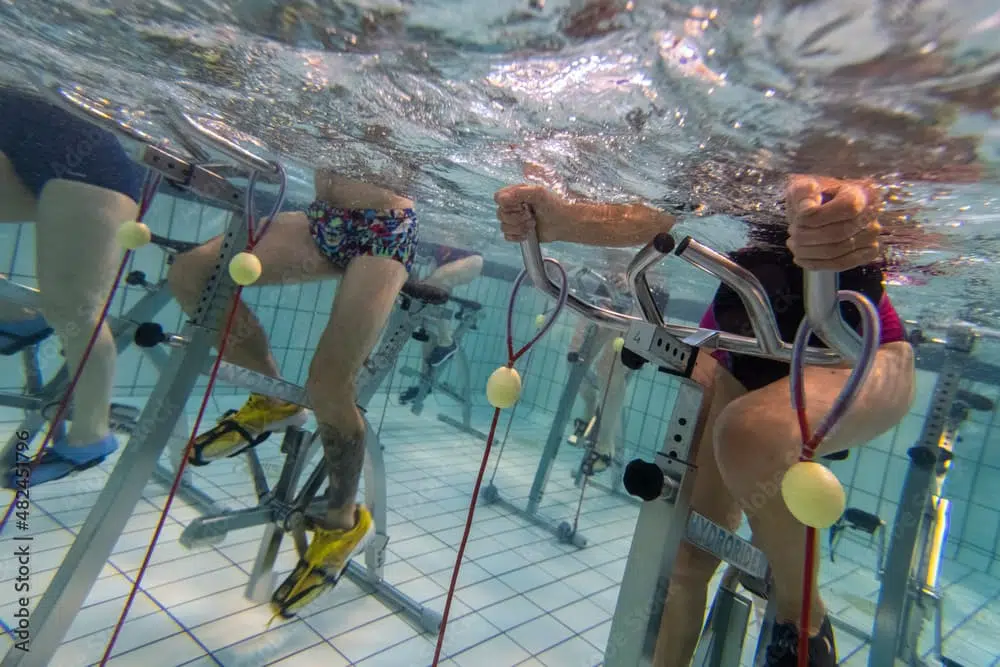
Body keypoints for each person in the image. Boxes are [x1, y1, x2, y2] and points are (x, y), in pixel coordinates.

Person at [494, 174, 915, 667]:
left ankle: (802, 621)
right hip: (740, 349)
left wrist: (861, 209)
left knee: (751, 434)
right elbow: (649, 216)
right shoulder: (736, 155)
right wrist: (556, 217)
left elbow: (894, 209)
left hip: (860, 353)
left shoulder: (866, 152)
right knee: (686, 562)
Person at [167, 169, 418, 618]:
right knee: (191, 273)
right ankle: (275, 401)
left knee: (328, 385)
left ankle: (341, 521)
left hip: (383, 231)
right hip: (323, 221)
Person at [1, 86, 145, 488]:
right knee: (67, 308)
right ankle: (21, 317)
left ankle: (92, 435)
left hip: (90, 172)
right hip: (29, 158)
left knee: (76, 311)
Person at [566, 270, 632, 474]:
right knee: (576, 357)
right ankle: (589, 405)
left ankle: (605, 444)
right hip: (608, 288)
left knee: (609, 369)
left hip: (645, 295)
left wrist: (631, 278)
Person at [399, 244, 483, 405]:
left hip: (473, 259)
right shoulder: (436, 251)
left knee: (435, 283)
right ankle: (425, 384)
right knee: (429, 324)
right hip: (443, 266)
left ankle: (447, 342)